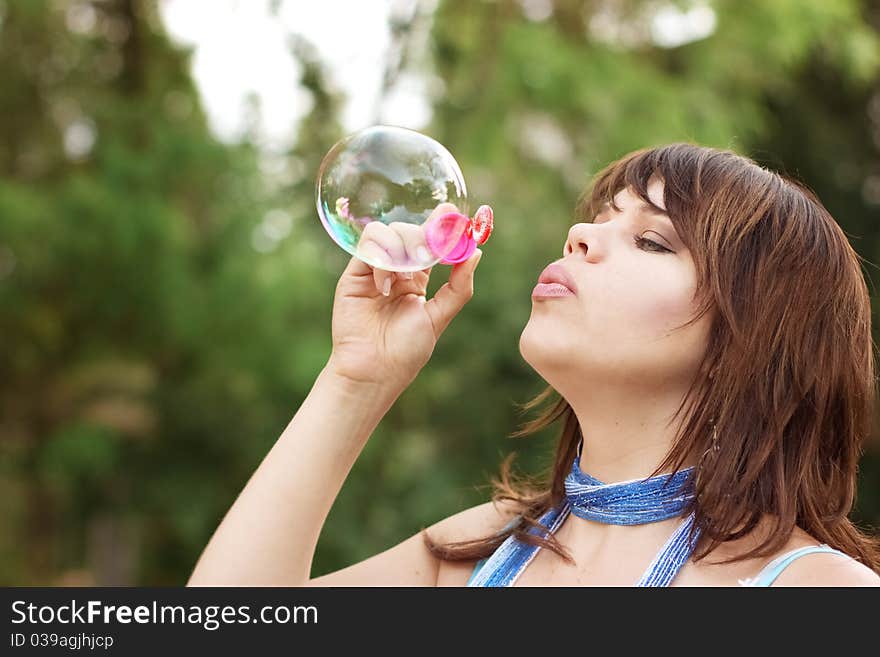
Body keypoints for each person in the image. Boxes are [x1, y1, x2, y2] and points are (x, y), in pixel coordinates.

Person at [187, 143, 880, 586]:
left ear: (752, 339)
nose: (581, 234)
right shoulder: (479, 551)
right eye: (599, 217)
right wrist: (356, 381)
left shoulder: (815, 589)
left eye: (650, 239)